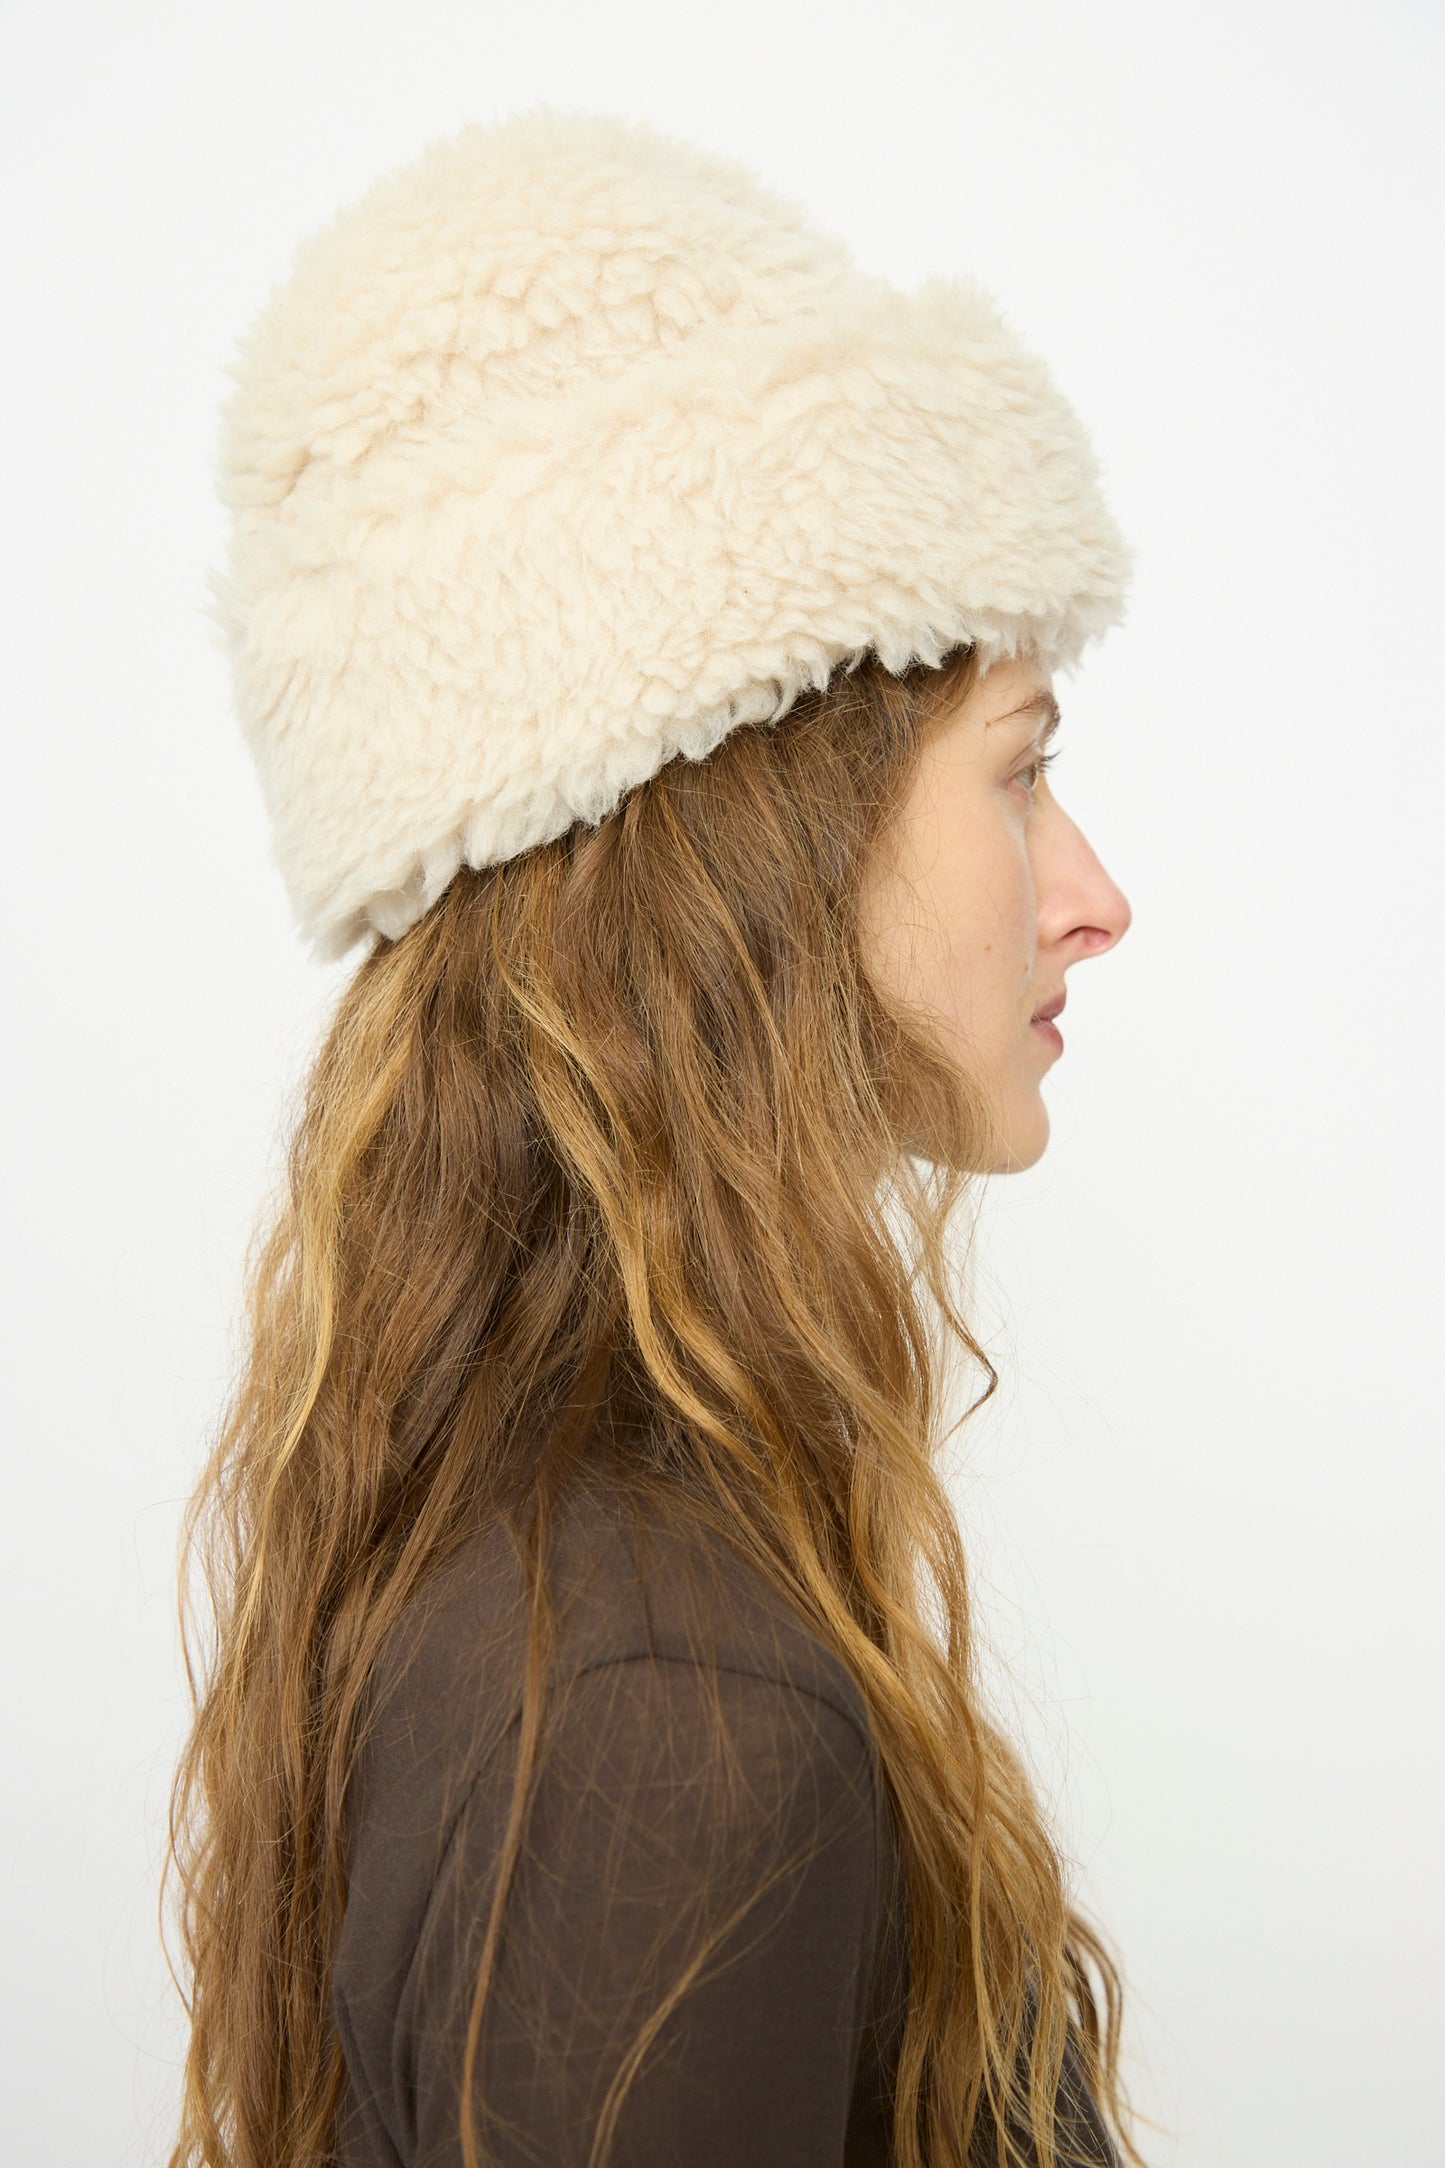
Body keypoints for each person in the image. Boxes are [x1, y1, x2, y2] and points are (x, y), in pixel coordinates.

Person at [165, 106, 1150, 2168]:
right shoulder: (668, 1721)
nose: (1088, 889)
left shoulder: (563, 1590)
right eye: (1018, 772)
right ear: (757, 834)